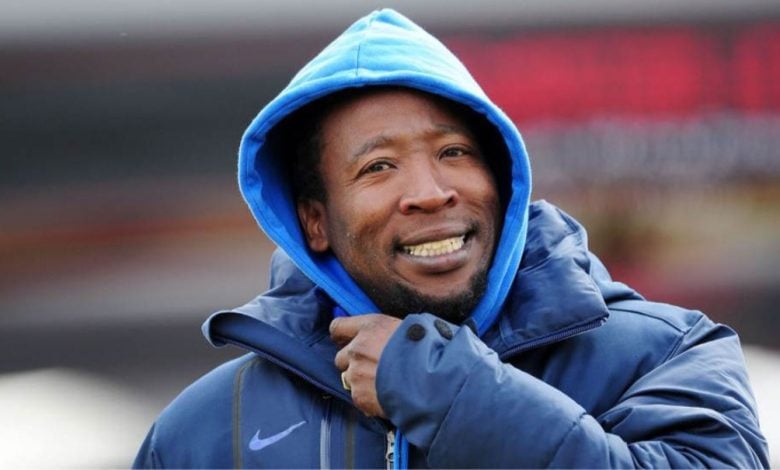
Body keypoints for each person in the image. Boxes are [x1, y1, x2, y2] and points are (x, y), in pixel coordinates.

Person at [134, 9, 768, 468]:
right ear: (314, 222)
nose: (431, 191)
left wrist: (449, 389)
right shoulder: (208, 431)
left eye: (454, 151)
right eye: (377, 167)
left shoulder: (668, 352)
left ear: (505, 180)